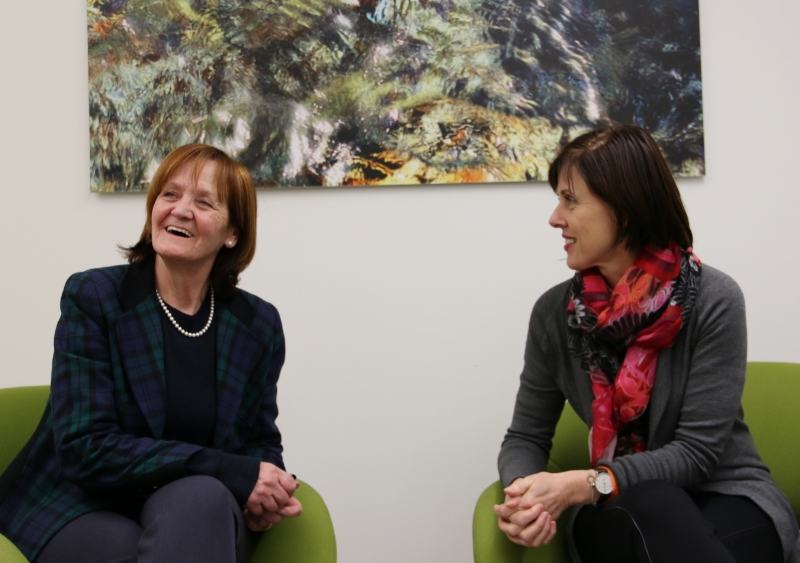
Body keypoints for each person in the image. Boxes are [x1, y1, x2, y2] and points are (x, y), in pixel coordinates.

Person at [494, 125, 799, 563]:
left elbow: (696, 453)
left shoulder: (714, 299)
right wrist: (525, 495)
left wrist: (582, 484)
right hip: (617, 508)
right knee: (653, 502)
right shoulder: (553, 314)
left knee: (664, 509)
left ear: (625, 209)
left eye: (570, 200)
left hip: (727, 495)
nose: (555, 218)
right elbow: (525, 436)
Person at [0, 144, 302, 563]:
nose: (180, 209)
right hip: (82, 504)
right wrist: (224, 469)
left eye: (204, 202)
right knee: (153, 539)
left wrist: (265, 493)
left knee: (201, 500)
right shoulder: (95, 296)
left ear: (232, 233)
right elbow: (85, 448)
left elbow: (259, 440)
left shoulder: (257, 324)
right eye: (169, 194)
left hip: (197, 508)